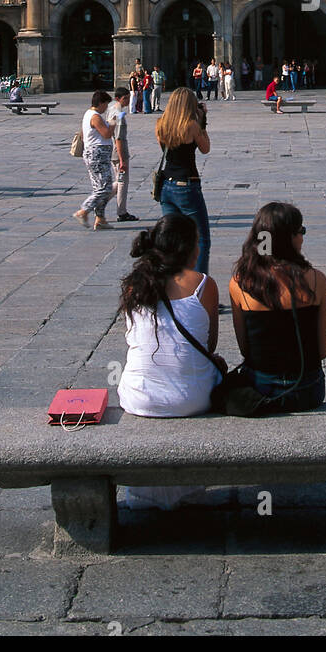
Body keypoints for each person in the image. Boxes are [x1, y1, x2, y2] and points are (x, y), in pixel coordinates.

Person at [117, 214, 222, 509]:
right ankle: (186, 493)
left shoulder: (133, 285)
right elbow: (208, 345)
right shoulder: (203, 284)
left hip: (138, 397)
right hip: (192, 399)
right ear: (189, 248)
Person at [229, 202, 326, 414]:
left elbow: (246, 349)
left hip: (262, 388)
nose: (302, 237)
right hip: (308, 390)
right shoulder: (316, 280)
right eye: (301, 231)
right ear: (290, 238)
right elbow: (322, 351)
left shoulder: (240, 283)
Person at [155, 87, 211, 275]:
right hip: (186, 185)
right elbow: (205, 148)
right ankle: (199, 292)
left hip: (166, 186)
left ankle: (172, 288)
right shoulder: (192, 125)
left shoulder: (160, 124)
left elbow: (166, 149)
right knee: (201, 239)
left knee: (171, 240)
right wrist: (202, 121)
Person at [73, 90, 114, 230]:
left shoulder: (88, 114)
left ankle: (100, 219)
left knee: (99, 188)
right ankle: (83, 211)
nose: (107, 108)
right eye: (106, 105)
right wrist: (113, 122)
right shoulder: (95, 116)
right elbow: (107, 134)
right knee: (105, 188)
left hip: (94, 154)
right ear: (101, 103)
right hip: (98, 155)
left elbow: (85, 136)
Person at [107, 87, 138, 222]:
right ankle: (121, 211)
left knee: (119, 181)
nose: (127, 100)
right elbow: (118, 138)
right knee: (122, 183)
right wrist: (122, 159)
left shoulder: (111, 109)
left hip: (113, 151)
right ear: (118, 98)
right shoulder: (118, 114)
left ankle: (100, 200)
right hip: (119, 152)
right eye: (125, 98)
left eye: (128, 97)